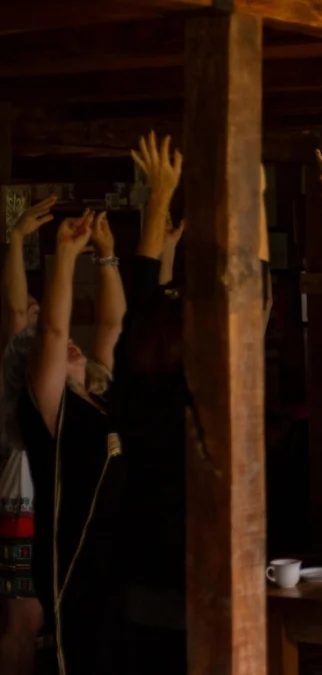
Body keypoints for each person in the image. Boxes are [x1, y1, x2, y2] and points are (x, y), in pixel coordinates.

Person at [19, 208, 126, 673]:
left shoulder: (99, 396)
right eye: (56, 355)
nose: (70, 346)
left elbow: (112, 327)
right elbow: (52, 330)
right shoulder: (50, 411)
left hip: (117, 559)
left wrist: (106, 257)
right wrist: (64, 257)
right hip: (74, 560)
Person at [0, 194, 53, 675]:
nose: (36, 312)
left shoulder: (47, 371)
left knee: (31, 621)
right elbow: (17, 313)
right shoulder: (17, 369)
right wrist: (16, 238)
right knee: (24, 621)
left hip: (34, 504)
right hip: (22, 506)